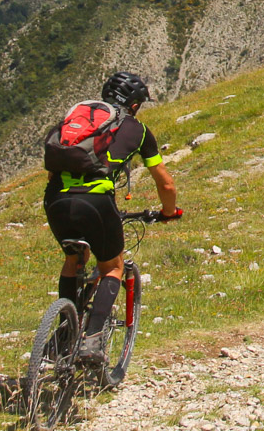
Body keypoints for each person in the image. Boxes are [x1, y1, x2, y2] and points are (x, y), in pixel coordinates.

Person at [43, 71, 182, 364]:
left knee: (73, 260)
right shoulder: (138, 131)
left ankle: (64, 334)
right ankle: (91, 341)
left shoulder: (77, 121)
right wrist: (169, 212)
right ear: (133, 105)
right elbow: (165, 183)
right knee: (112, 268)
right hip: (95, 203)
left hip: (56, 201)